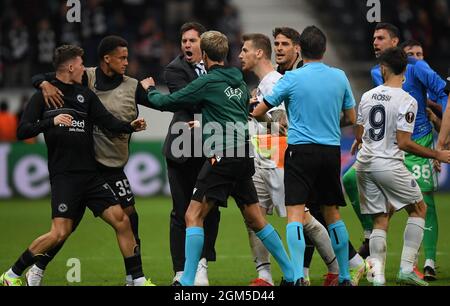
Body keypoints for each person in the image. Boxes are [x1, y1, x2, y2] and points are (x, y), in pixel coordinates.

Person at [141, 30, 295, 286]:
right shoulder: (237, 78)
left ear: (204, 54)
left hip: (222, 156)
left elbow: (169, 102)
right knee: (256, 219)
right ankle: (292, 275)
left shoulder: (207, 82)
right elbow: (239, 109)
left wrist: (149, 91)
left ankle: (187, 281)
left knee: (192, 215)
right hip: (243, 155)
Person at [0, 45, 153, 286]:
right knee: (60, 232)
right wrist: (50, 122)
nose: (85, 68)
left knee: (122, 220)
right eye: (81, 64)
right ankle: (12, 274)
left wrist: (130, 126)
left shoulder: (85, 95)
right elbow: (22, 131)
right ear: (70, 67)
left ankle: (138, 280)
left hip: (91, 176)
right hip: (65, 176)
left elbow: (107, 122)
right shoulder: (43, 96)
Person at [342, 23, 448, 280]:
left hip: (366, 161)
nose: (375, 42)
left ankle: (376, 277)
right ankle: (405, 269)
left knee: (381, 219)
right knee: (420, 208)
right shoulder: (407, 100)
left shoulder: (367, 95)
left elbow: (358, 132)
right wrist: (438, 153)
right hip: (390, 162)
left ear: (384, 68)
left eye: (380, 38)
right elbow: (403, 142)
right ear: (405, 69)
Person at [253, 25, 356, 286]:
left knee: (295, 213)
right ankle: (344, 275)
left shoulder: (291, 79)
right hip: (331, 151)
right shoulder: (340, 77)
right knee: (332, 213)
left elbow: (258, 111)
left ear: (300, 50)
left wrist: (274, 121)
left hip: (300, 151)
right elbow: (352, 118)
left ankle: (298, 276)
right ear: (324, 48)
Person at [163, 22, 220, 286]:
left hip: (209, 148)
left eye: (192, 40)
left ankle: (201, 264)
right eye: (184, 40)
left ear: (204, 43)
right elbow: (188, 100)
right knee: (180, 211)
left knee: (209, 209)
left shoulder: (215, 65)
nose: (186, 45)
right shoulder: (175, 69)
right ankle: (179, 270)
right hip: (182, 149)